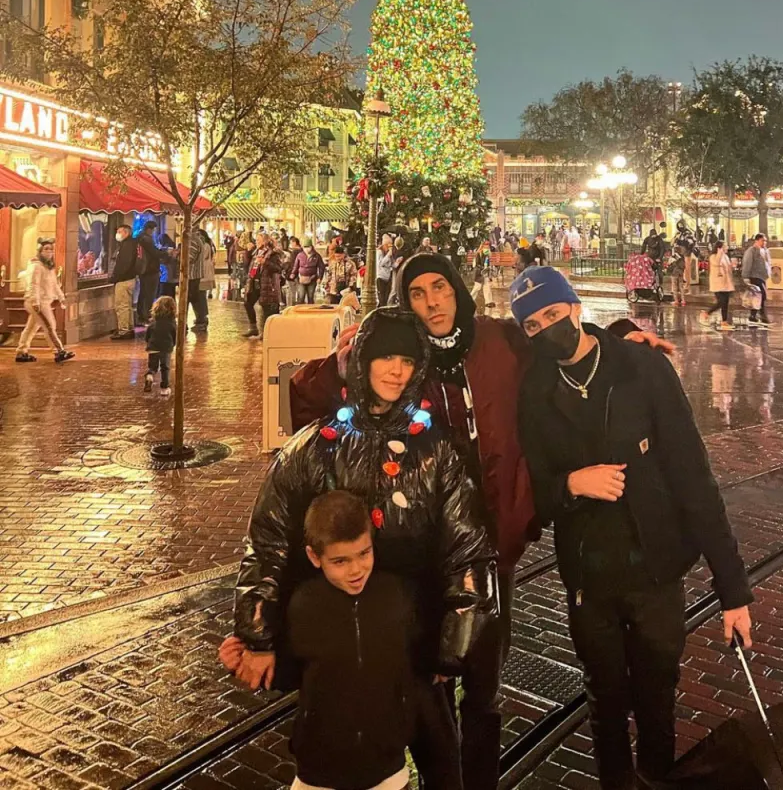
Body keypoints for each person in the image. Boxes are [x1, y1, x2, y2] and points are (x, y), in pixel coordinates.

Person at [289, 254, 671, 790]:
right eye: (417, 293)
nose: (432, 302)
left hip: (494, 537)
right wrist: (338, 359)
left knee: (485, 682)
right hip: (425, 544)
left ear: (456, 290)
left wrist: (625, 336)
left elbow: (560, 340)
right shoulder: (402, 355)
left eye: (439, 287)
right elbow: (307, 401)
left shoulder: (499, 341)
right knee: (432, 677)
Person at [222, 307, 497, 788]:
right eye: (386, 357)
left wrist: (449, 651)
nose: (397, 370)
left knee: (441, 765)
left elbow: (467, 553)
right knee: (336, 758)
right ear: (364, 359)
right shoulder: (313, 448)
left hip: (414, 644)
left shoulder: (438, 451)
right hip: (336, 642)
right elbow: (267, 542)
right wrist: (259, 633)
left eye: (409, 361)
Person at [512, 266, 753, 789]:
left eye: (553, 314)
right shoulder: (533, 389)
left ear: (575, 309)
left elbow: (694, 478)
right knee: (604, 700)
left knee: (657, 697)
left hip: (655, 571)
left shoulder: (642, 369)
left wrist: (732, 589)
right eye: (532, 326)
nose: (546, 329)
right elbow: (534, 486)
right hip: (589, 579)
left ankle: (655, 778)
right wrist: (572, 483)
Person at [232, 491, 423, 790]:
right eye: (340, 561)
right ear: (314, 557)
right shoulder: (302, 605)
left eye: (364, 553)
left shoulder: (396, 595)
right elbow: (291, 673)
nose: (356, 569)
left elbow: (417, 659)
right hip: (319, 772)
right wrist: (246, 662)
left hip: (387, 768)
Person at [14, 240, 75, 364]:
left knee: (31, 328)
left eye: (51, 249)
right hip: (37, 302)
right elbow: (33, 284)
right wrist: (35, 301)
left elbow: (54, 284)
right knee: (49, 326)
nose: (49, 252)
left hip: (44, 301)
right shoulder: (35, 266)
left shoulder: (48, 266)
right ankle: (59, 351)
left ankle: (21, 352)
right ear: (40, 251)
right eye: (46, 249)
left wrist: (61, 297)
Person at [245, 232, 284, 337]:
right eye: (256, 240)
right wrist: (248, 253)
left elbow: (278, 268)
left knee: (267, 307)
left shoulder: (273, 253)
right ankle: (253, 327)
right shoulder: (256, 252)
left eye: (258, 240)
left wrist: (265, 262)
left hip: (267, 283)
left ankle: (268, 332)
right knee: (248, 302)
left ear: (265, 241)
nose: (256, 242)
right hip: (255, 282)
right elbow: (248, 266)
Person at [110, 223, 141, 340]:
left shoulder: (127, 245)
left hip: (124, 280)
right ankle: (129, 327)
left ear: (126, 233)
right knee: (127, 305)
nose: (117, 234)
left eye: (119, 232)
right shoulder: (132, 244)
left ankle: (123, 330)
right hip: (130, 278)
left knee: (121, 305)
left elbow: (124, 264)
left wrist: (115, 277)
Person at [144, 294, 176, 398]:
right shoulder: (171, 323)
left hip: (153, 347)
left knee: (153, 366)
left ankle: (149, 375)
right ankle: (164, 388)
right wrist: (173, 344)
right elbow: (175, 335)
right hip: (165, 348)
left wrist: (148, 343)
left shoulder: (153, 322)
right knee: (165, 367)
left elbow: (147, 335)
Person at [135, 220, 167, 326]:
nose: (153, 232)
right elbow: (155, 253)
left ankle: (142, 316)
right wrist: (166, 252)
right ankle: (146, 316)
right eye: (153, 230)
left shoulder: (140, 238)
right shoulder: (146, 239)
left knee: (144, 293)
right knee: (149, 294)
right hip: (150, 270)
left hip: (144, 270)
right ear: (149, 229)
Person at [700, 239, 735, 331]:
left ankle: (724, 321)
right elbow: (717, 263)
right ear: (720, 248)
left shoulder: (725, 256)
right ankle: (707, 313)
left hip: (726, 283)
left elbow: (727, 268)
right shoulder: (713, 256)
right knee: (721, 302)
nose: (727, 247)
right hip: (717, 284)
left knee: (725, 303)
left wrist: (732, 266)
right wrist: (720, 253)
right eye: (725, 246)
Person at [741, 233, 771, 327]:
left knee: (758, 297)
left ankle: (753, 316)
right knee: (761, 295)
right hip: (754, 276)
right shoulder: (751, 251)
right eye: (763, 240)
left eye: (765, 240)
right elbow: (747, 263)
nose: (764, 242)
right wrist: (746, 277)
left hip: (762, 276)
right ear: (757, 241)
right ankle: (763, 316)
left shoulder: (765, 251)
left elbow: (767, 263)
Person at [188, 227, 213, 333]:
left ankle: (201, 321)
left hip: (193, 275)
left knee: (197, 298)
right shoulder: (199, 241)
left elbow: (189, 258)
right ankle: (201, 320)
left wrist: (177, 255)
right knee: (198, 298)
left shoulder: (193, 241)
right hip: (198, 275)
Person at [291, 239, 326, 305]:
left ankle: (310, 311)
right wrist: (293, 273)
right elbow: (296, 266)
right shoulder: (299, 255)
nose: (307, 249)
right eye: (305, 247)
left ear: (311, 247)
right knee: (301, 296)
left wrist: (320, 277)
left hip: (312, 279)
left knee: (310, 297)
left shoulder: (317, 256)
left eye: (308, 247)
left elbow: (321, 267)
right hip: (301, 279)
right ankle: (300, 312)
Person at [157, 232, 180, 299]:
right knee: (171, 295)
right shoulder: (173, 247)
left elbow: (164, 261)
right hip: (172, 276)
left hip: (165, 276)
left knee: (163, 295)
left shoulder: (165, 249)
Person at [283, 237, 304, 307]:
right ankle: (300, 306)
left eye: (291, 242)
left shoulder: (295, 252)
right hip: (301, 274)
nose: (291, 244)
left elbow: (292, 263)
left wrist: (290, 273)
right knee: (299, 291)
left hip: (293, 274)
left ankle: (290, 307)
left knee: (291, 292)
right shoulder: (302, 250)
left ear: (295, 242)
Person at [376, 234, 395, 307]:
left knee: (386, 297)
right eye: (388, 245)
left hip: (388, 277)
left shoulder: (388, 253)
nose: (389, 248)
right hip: (380, 277)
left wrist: (397, 262)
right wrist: (388, 255)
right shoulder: (380, 252)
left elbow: (391, 265)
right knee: (382, 298)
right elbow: (380, 263)